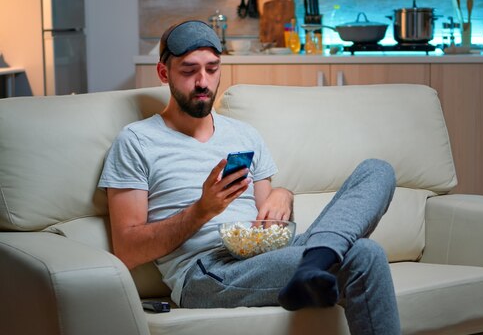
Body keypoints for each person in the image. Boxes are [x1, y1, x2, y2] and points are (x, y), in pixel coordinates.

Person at [98, 19, 401, 335]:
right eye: (189, 71)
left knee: (377, 171)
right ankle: (314, 264)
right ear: (164, 73)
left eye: (212, 69)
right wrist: (202, 210)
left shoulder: (244, 135)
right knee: (365, 253)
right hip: (205, 272)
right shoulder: (136, 141)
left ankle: (313, 263)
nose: (203, 82)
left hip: (264, 258)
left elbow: (267, 229)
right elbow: (127, 251)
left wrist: (282, 194)